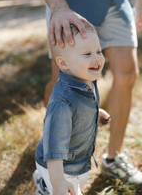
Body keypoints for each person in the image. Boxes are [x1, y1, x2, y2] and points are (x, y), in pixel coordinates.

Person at [31, 0, 142, 184]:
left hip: (117, 0)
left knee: (128, 73)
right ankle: (53, 163)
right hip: (69, 3)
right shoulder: (63, 5)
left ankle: (113, 159)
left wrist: (141, 5)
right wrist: (58, 7)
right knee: (61, 80)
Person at [33, 24, 111, 195]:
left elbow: (81, 109)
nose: (97, 58)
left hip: (77, 163)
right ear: (63, 63)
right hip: (59, 168)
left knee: (77, 183)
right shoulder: (63, 103)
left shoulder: (86, 79)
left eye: (98, 51)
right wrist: (58, 180)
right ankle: (48, 183)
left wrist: (95, 113)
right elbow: (54, 146)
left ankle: (45, 184)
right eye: (87, 54)